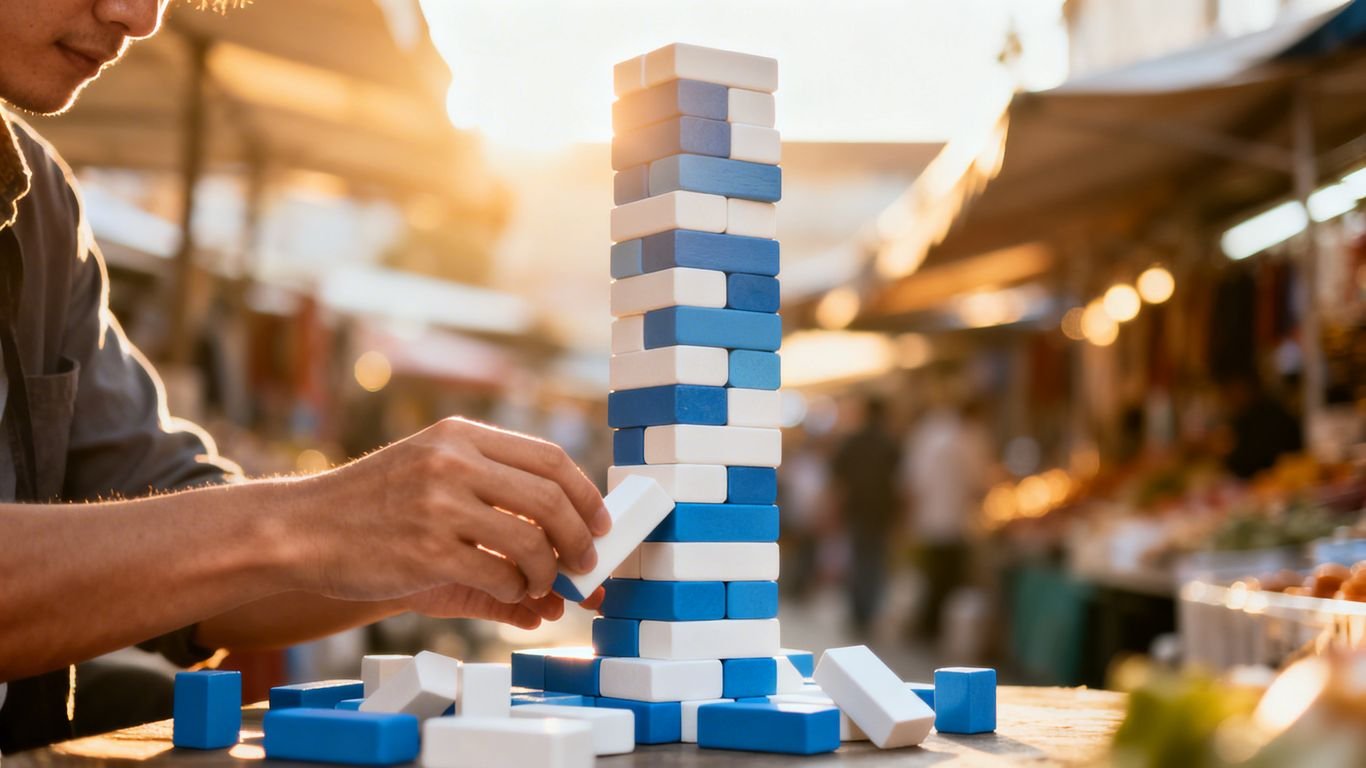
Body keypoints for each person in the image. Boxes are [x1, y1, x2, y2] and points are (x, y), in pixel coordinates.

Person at [0, 1, 608, 751]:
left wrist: (410, 556)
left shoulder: (43, 208)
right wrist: (310, 520)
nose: (137, 17)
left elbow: (180, 538)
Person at [900, 398, 991, 642]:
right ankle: (931, 628)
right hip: (952, 521)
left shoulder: (931, 435)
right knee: (944, 579)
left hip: (931, 519)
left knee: (931, 577)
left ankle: (925, 627)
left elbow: (914, 482)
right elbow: (978, 482)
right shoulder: (967, 440)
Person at [830, 396, 901, 636]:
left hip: (857, 510)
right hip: (882, 512)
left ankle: (858, 613)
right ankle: (869, 613)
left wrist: (835, 510)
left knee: (859, 561)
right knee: (876, 564)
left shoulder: (853, 442)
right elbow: (900, 482)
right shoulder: (890, 444)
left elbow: (839, 480)